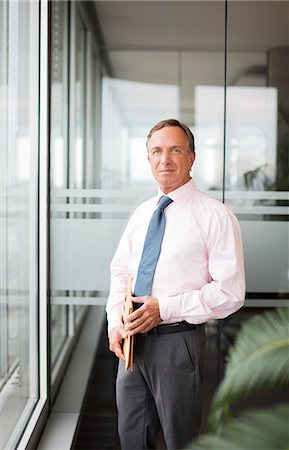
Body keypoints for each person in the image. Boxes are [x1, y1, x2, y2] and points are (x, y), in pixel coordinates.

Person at [106, 119, 245, 450]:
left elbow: (230, 292)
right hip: (132, 344)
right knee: (131, 437)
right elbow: (120, 272)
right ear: (148, 159)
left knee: (179, 439)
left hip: (177, 341)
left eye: (175, 150)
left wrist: (163, 308)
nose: (165, 159)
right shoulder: (142, 213)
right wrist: (115, 323)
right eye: (157, 151)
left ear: (192, 158)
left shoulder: (216, 216)